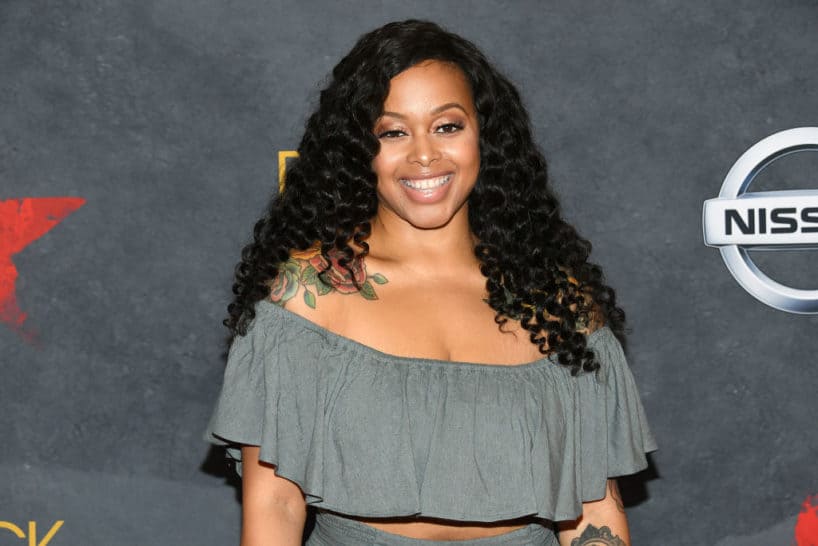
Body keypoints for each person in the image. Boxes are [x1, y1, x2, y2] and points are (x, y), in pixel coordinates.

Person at [204, 19, 657, 546]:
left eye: (447, 126)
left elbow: (593, 512)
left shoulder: (556, 303)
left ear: (484, 135)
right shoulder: (307, 295)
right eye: (392, 131)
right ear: (358, 148)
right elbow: (276, 505)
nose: (424, 154)